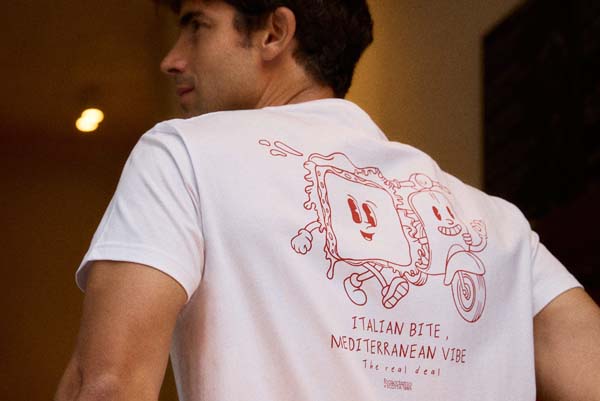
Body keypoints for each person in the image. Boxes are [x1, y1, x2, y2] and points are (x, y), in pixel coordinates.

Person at [55, 1, 600, 400]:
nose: (172, 59)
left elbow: (108, 384)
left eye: (197, 25)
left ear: (274, 33)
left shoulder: (182, 155)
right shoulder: (497, 227)